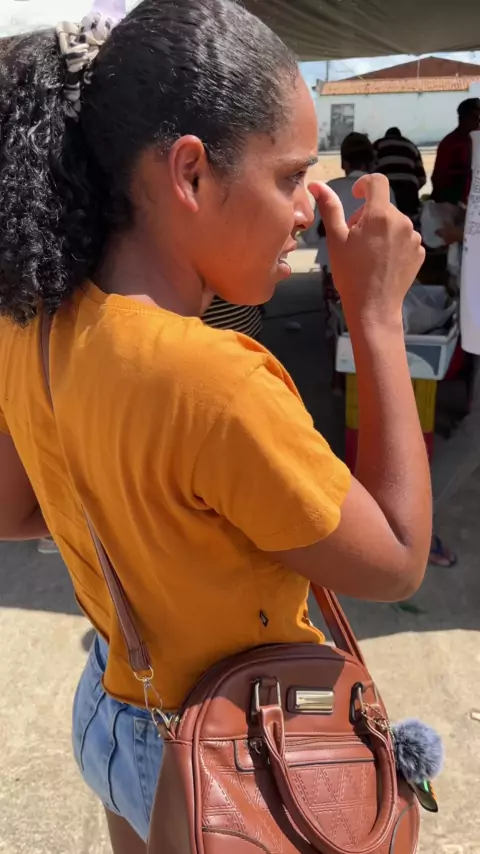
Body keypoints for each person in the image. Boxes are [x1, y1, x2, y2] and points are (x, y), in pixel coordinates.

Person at [0, 2, 430, 852]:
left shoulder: (32, 321)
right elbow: (397, 560)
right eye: (289, 176)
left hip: (116, 718)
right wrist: (377, 316)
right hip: (227, 754)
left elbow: (14, 510)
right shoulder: (217, 380)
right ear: (191, 174)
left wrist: (150, 512)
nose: (308, 207)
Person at [306, 132, 396, 270]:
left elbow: (312, 236)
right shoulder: (384, 190)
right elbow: (394, 234)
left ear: (344, 163)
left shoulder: (330, 189)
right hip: (373, 267)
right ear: (372, 163)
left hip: (334, 267)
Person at [431, 98, 480, 205]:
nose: (477, 122)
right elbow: (438, 178)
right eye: (474, 117)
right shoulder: (450, 143)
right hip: (455, 204)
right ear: (462, 119)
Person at [373, 127, 426, 217]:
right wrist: (411, 189)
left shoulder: (378, 144)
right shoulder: (412, 146)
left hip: (387, 188)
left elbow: (370, 169)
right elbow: (422, 178)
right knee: (409, 219)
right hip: (409, 190)